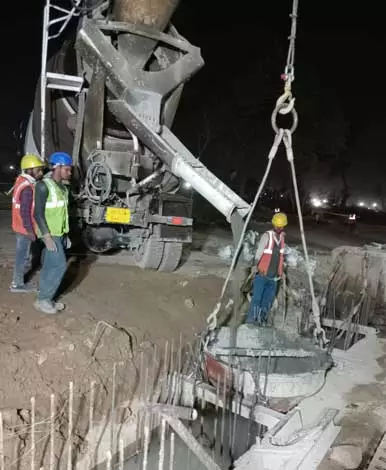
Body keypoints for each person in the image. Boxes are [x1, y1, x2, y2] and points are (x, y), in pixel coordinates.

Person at [34, 151, 73, 314]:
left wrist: (66, 234)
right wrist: (47, 236)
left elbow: (62, 213)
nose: (69, 173)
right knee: (60, 265)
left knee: (50, 264)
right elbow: (38, 213)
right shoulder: (43, 185)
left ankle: (44, 296)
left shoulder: (63, 188)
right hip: (49, 233)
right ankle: (44, 300)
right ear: (57, 167)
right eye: (67, 169)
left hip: (59, 233)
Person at [10, 154, 45, 293]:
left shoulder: (21, 181)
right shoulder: (28, 188)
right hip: (24, 229)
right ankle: (17, 284)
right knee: (22, 257)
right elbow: (25, 211)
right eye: (38, 170)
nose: (41, 173)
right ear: (30, 170)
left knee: (21, 255)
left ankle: (17, 282)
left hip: (19, 226)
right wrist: (30, 230)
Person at [246, 212, 287, 325]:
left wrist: (282, 272)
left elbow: (281, 257)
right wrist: (255, 265)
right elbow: (259, 252)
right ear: (274, 224)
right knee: (257, 299)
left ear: (283, 226)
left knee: (267, 301)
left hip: (274, 278)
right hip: (262, 274)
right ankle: (251, 322)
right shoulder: (267, 236)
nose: (279, 228)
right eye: (277, 225)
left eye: (281, 226)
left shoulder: (282, 238)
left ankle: (261, 321)